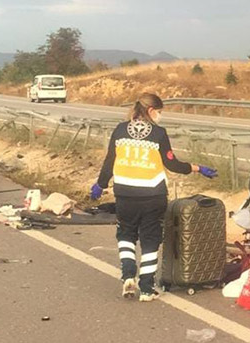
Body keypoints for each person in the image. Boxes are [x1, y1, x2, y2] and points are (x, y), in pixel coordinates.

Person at [91, 93, 218, 302]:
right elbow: (172, 164)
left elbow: (109, 162)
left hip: (125, 194)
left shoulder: (120, 130)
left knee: (126, 234)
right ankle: (147, 288)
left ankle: (128, 274)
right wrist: (197, 168)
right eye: (159, 112)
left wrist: (100, 185)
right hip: (152, 194)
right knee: (150, 240)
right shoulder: (158, 134)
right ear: (151, 111)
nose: (160, 116)